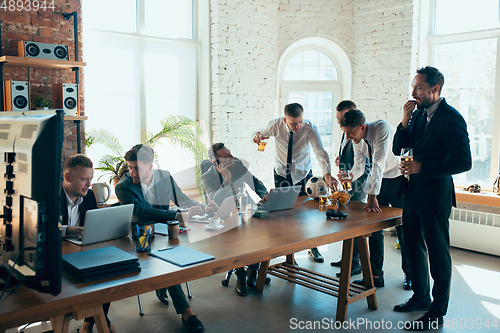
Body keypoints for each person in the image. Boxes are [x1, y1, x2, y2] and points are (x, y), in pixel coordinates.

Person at [393, 66, 471, 331]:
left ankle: (437, 312)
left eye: (418, 87)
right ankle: (420, 297)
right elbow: (397, 148)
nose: (413, 92)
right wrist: (404, 122)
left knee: (438, 254)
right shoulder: (415, 116)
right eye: (413, 86)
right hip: (412, 193)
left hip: (436, 195)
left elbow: (463, 160)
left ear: (435, 89)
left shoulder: (452, 118)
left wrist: (424, 167)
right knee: (412, 246)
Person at [115, 144, 215, 333]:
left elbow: (183, 200)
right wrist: (176, 216)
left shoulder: (165, 177)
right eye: (130, 167)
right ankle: (188, 314)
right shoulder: (123, 186)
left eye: (137, 168)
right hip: (142, 236)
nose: (132, 173)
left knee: (196, 246)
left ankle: (162, 284)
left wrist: (203, 207)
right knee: (167, 263)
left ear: (151, 166)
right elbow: (142, 211)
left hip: (167, 232)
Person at [252, 103, 338, 263]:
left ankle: (313, 248)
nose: (298, 126)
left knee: (308, 215)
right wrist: (256, 137)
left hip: (303, 175)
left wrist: (327, 174)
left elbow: (320, 151)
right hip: (281, 174)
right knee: (285, 215)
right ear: (285, 120)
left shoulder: (309, 128)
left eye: (300, 122)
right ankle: (289, 256)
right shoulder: (275, 125)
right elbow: (258, 133)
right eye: (293, 123)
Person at [339, 109, 410, 289]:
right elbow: (360, 166)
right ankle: (375, 275)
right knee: (375, 230)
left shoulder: (382, 129)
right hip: (379, 183)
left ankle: (411, 275)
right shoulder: (357, 139)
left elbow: (378, 163)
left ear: (362, 127)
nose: (348, 137)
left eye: (350, 133)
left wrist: (372, 196)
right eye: (345, 133)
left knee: (405, 229)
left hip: (398, 180)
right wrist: (349, 175)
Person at [60, 154, 118, 333]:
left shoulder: (89, 195)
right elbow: (40, 227)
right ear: (68, 178)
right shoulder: (51, 196)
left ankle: (87, 325)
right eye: (84, 179)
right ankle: (101, 323)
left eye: (91, 179)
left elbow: (94, 223)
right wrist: (67, 229)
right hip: (58, 254)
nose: (88, 184)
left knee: (107, 274)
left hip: (81, 251)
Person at [202, 142, 268, 296]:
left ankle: (253, 270)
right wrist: (226, 179)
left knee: (260, 229)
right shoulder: (207, 177)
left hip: (244, 210)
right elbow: (215, 202)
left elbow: (255, 182)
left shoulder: (237, 164)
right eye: (226, 156)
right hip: (223, 218)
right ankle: (241, 276)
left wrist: (263, 193)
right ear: (216, 162)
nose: (232, 156)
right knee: (233, 238)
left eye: (230, 152)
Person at [329, 100, 370, 277]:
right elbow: (348, 152)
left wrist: (353, 186)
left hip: (357, 184)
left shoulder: (361, 133)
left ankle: (355, 264)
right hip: (346, 181)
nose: (339, 122)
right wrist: (340, 159)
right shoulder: (345, 129)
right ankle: (347, 258)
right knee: (347, 222)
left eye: (342, 118)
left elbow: (365, 165)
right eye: (338, 118)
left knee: (356, 225)